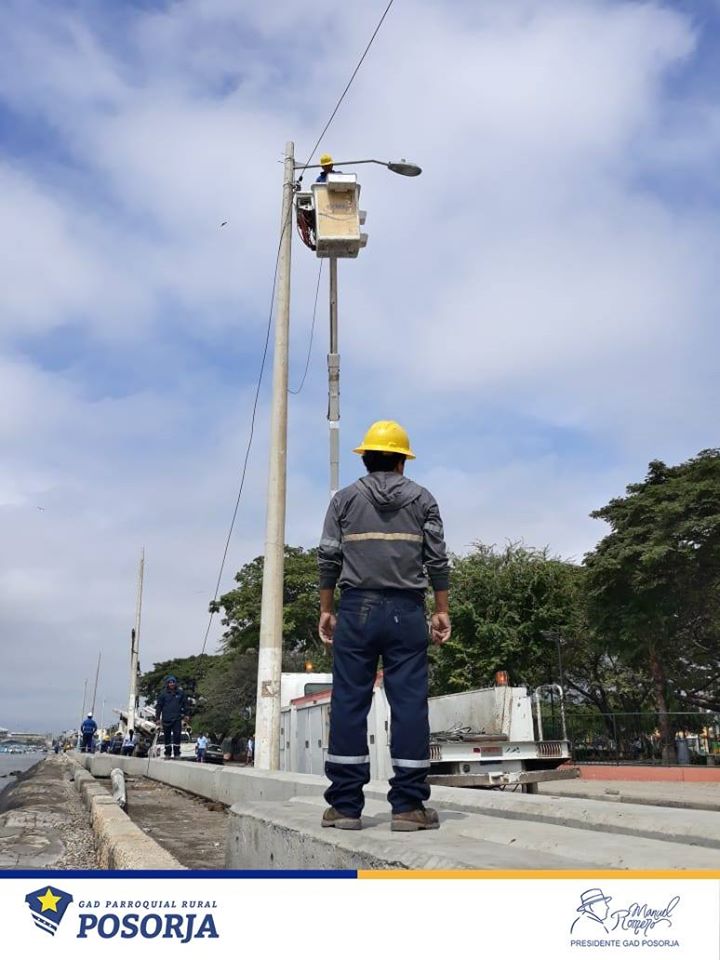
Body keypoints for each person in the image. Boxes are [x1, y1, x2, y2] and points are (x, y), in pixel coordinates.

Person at [317, 420, 451, 832]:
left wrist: (327, 609)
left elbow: (328, 557)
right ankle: (408, 806)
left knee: (348, 703)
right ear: (401, 462)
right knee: (409, 705)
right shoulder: (423, 499)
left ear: (366, 458)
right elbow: (437, 559)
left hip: (356, 610)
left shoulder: (344, 500)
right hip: (406, 611)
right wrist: (441, 610)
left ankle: (345, 807)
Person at [154, 675, 188, 759]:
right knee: (167, 737)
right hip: (166, 719)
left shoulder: (180, 693)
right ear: (167, 684)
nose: (171, 684)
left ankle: (177, 754)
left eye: (173, 682)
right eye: (170, 682)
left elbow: (185, 704)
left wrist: (186, 714)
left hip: (177, 718)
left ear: (175, 683)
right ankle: (167, 754)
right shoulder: (163, 694)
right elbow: (159, 707)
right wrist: (157, 718)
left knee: (177, 736)